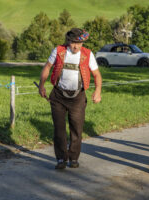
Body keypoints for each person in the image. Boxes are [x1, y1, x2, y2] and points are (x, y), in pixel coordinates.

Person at [38, 28, 102, 169]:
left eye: (79, 43)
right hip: (58, 96)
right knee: (59, 129)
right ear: (68, 41)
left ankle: (73, 158)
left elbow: (97, 75)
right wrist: (41, 86)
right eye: (73, 43)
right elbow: (47, 67)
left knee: (76, 128)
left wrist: (98, 91)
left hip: (78, 97)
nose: (76, 46)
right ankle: (61, 159)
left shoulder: (88, 54)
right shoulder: (58, 51)